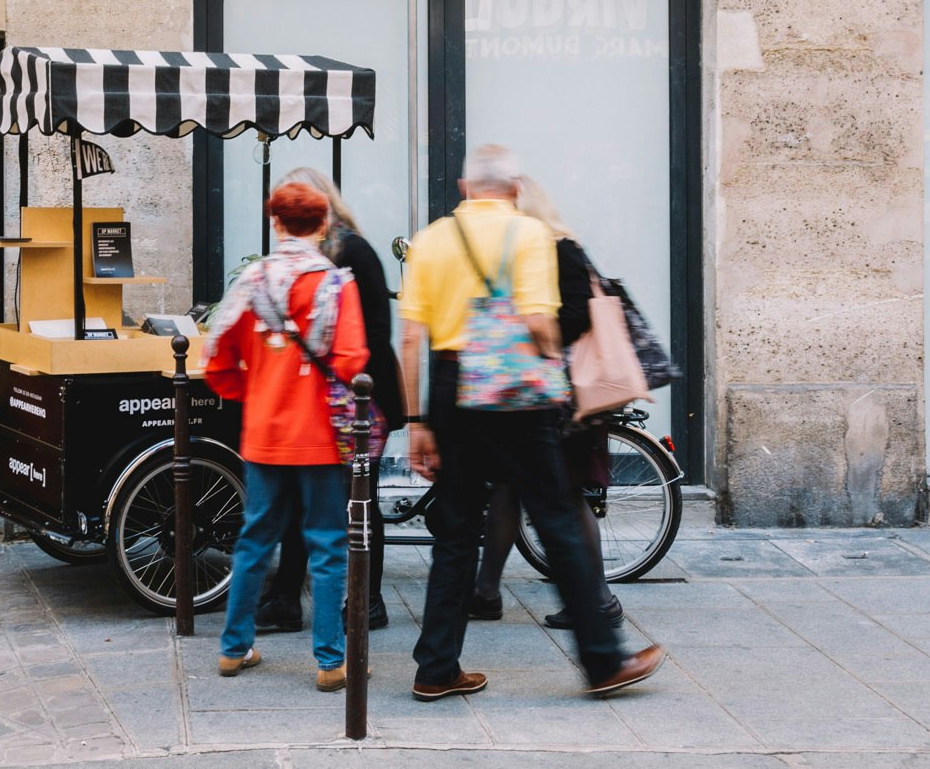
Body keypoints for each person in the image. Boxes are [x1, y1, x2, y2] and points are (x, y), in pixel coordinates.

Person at [399, 144, 663, 700]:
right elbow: (542, 323)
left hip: (449, 389)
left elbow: (411, 340)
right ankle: (603, 661)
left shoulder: (432, 240)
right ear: (514, 188)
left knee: (455, 534)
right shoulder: (530, 235)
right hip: (516, 395)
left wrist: (416, 422)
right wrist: (547, 368)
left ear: (464, 187)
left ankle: (436, 668)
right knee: (557, 519)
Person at [205, 182, 370, 693]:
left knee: (254, 541)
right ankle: (330, 660)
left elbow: (216, 361)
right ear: (323, 225)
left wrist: (255, 391)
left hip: (264, 433)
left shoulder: (251, 282)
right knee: (328, 546)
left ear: (275, 223)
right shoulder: (336, 285)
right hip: (319, 434)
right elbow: (352, 360)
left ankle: (233, 648)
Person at [469, 173, 623, 629]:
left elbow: (575, 318)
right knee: (508, 486)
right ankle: (486, 591)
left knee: (567, 494)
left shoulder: (560, 250)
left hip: (565, 397)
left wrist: (528, 325)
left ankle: (599, 601)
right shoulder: (535, 251)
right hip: (537, 392)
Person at [257, 166, 404, 634]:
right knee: (304, 498)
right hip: (318, 397)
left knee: (358, 499)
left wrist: (348, 386)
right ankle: (286, 597)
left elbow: (376, 334)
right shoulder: (307, 255)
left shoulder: (353, 251)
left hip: (358, 400)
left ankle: (367, 600)